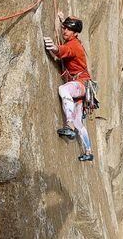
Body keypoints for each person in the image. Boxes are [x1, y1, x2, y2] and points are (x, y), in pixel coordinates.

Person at [43, 14, 94, 162]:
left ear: (75, 33)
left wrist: (53, 46)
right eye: (64, 28)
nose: (65, 31)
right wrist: (61, 18)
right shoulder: (74, 40)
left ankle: (69, 125)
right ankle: (88, 152)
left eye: (68, 29)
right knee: (80, 123)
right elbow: (66, 45)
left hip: (81, 83)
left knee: (64, 90)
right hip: (83, 86)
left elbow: (63, 51)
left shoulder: (74, 45)